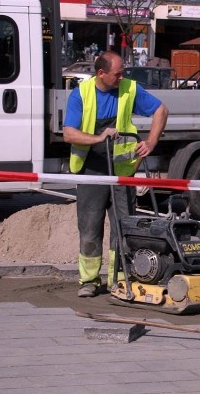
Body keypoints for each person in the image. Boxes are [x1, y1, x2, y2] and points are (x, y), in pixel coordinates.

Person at [63, 51, 169, 298]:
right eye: (117, 74)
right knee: (90, 228)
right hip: (92, 170)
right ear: (101, 73)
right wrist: (99, 137)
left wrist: (152, 141)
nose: (122, 77)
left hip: (122, 170)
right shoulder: (82, 93)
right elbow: (69, 133)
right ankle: (88, 281)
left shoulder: (129, 89)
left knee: (124, 227)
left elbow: (161, 110)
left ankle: (119, 280)